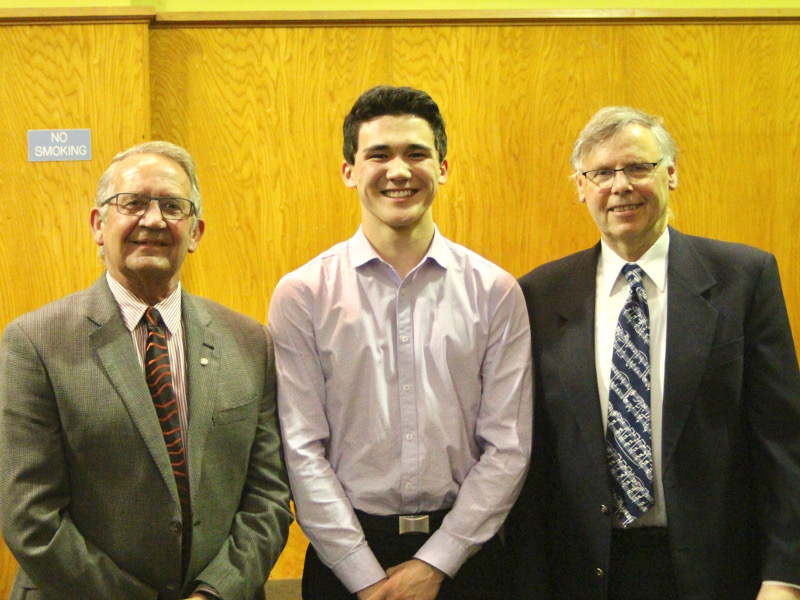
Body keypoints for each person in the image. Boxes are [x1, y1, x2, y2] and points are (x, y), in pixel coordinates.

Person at [507, 106, 800, 599]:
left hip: (718, 569)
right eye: (601, 172)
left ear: (671, 173)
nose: (620, 186)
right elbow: (532, 460)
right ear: (581, 187)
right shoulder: (539, 294)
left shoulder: (743, 278)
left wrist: (784, 576)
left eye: (638, 167)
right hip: (584, 570)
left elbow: (783, 442)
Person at [269, 85, 532, 600]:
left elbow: (507, 447)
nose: (398, 170)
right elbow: (301, 450)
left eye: (417, 153)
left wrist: (437, 562)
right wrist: (363, 577)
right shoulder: (301, 294)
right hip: (343, 563)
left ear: (443, 167)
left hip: (467, 562)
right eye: (378, 154)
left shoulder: (496, 291)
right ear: (349, 171)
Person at [0, 141, 293, 600]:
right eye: (132, 203)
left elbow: (269, 498)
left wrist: (215, 592)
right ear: (99, 225)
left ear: (195, 232)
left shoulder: (250, 342)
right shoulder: (34, 344)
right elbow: (28, 516)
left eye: (173, 206)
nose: (153, 220)